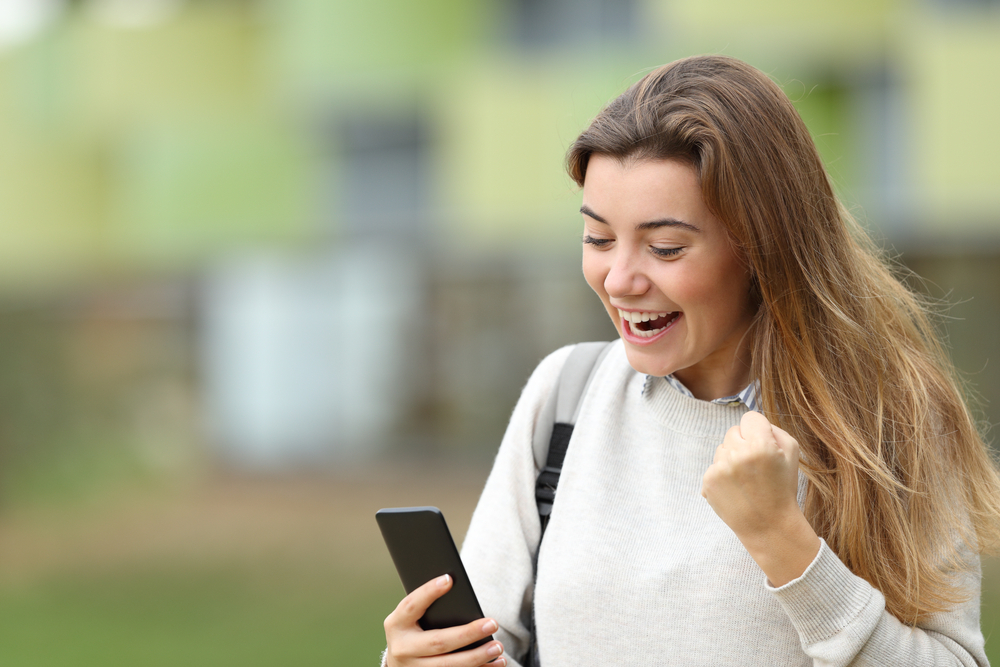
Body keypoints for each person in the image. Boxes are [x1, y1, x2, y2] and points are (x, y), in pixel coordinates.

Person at [381, 55, 1000, 666]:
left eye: (666, 247)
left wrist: (784, 543)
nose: (619, 279)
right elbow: (479, 649)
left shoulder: (889, 418)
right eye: (597, 238)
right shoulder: (565, 396)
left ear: (763, 248)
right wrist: (416, 661)